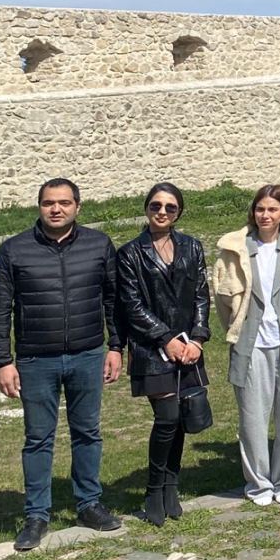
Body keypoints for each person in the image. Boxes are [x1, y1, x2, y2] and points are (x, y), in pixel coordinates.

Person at [0, 178, 123, 551]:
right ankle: (36, 515)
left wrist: (115, 347)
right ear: (40, 207)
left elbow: (113, 301)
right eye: (49, 203)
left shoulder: (99, 245)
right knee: (38, 439)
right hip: (35, 359)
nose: (56, 209)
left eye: (64, 202)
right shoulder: (14, 250)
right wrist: (3, 361)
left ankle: (89, 504)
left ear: (78, 206)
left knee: (88, 432)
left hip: (88, 354)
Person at [116, 182, 212, 527]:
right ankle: (154, 488)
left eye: (170, 208)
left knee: (182, 416)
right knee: (167, 416)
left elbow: (201, 294)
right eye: (156, 205)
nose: (162, 212)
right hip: (151, 348)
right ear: (146, 208)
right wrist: (166, 338)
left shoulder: (191, 247)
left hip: (187, 347)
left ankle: (172, 485)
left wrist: (198, 338)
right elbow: (132, 305)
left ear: (179, 213)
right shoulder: (130, 253)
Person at [213, 185, 280, 506]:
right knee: (252, 418)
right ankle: (258, 483)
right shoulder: (234, 248)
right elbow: (223, 299)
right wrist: (238, 330)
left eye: (272, 209)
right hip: (252, 344)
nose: (265, 215)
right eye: (260, 209)